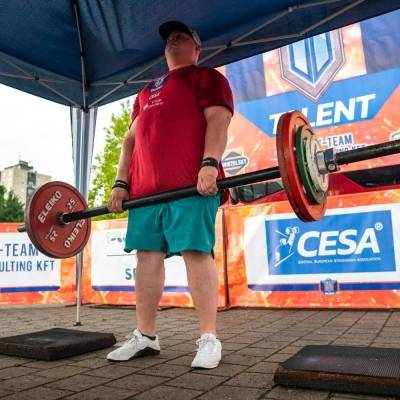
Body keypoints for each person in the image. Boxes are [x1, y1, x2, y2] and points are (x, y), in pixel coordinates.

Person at [106, 21, 233, 369]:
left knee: (196, 252)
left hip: (191, 184)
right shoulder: (145, 92)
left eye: (181, 37)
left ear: (196, 48)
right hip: (146, 192)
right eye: (169, 39)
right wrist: (120, 183)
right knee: (146, 257)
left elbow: (218, 120)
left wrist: (210, 163)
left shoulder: (207, 77)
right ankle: (145, 336)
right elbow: (130, 140)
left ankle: (209, 338)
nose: (173, 41)